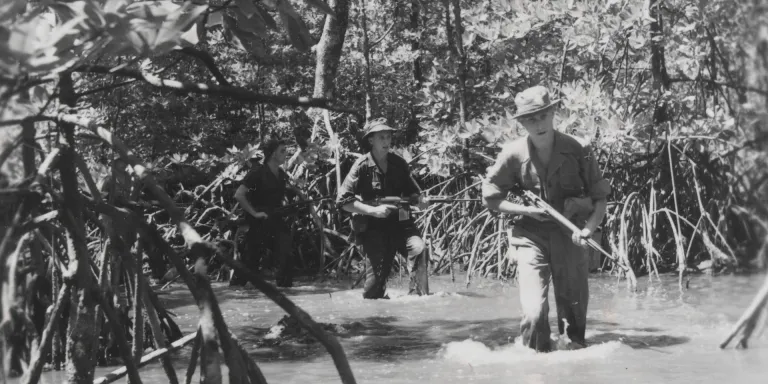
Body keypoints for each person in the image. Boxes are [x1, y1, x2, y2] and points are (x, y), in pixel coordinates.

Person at [481, 85, 612, 351]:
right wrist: (526, 210)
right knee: (534, 315)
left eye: (542, 115)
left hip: (571, 236)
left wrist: (588, 230)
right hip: (530, 236)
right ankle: (534, 367)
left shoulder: (579, 149)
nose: (538, 124)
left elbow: (600, 198)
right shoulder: (513, 153)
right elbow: (491, 198)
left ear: (553, 113)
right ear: (522, 123)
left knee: (574, 326)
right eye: (530, 119)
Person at [337, 118, 430, 299]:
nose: (387, 141)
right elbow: (342, 201)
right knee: (373, 292)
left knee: (419, 249)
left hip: (402, 223)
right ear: (371, 140)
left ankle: (418, 298)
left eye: (388, 137)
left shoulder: (399, 163)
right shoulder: (361, 166)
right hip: (374, 229)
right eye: (382, 138)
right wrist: (373, 211)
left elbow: (414, 193)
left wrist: (421, 200)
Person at [233, 138, 298, 288]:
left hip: (276, 220)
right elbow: (239, 194)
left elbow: (279, 197)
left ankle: (285, 294)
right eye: (282, 151)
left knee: (286, 258)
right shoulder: (257, 172)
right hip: (257, 223)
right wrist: (255, 213)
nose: (285, 154)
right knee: (249, 264)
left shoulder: (281, 174)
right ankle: (238, 293)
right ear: (273, 154)